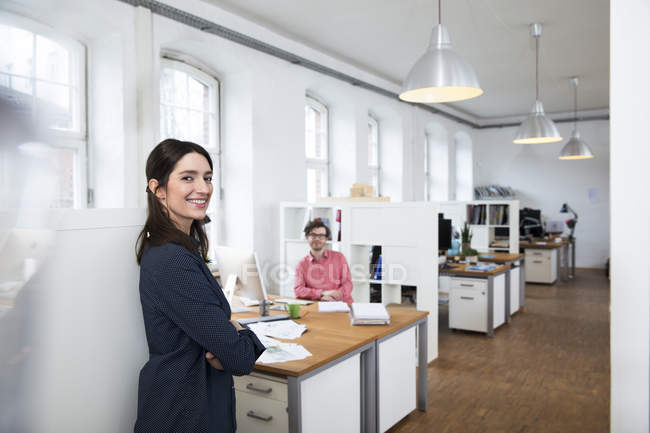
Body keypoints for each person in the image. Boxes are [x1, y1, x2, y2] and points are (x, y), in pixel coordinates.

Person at [134, 139, 265, 433]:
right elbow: (240, 358)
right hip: (182, 410)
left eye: (207, 178)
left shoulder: (183, 248)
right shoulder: (172, 260)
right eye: (187, 178)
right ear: (158, 189)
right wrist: (242, 334)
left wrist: (227, 333)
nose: (204, 188)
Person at [294, 219, 354, 303]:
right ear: (307, 237)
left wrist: (335, 296)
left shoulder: (339, 257)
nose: (317, 239)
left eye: (321, 236)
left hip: (341, 303)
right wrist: (322, 293)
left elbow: (348, 284)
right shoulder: (301, 264)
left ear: (326, 238)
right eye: (313, 235)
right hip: (317, 305)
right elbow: (298, 289)